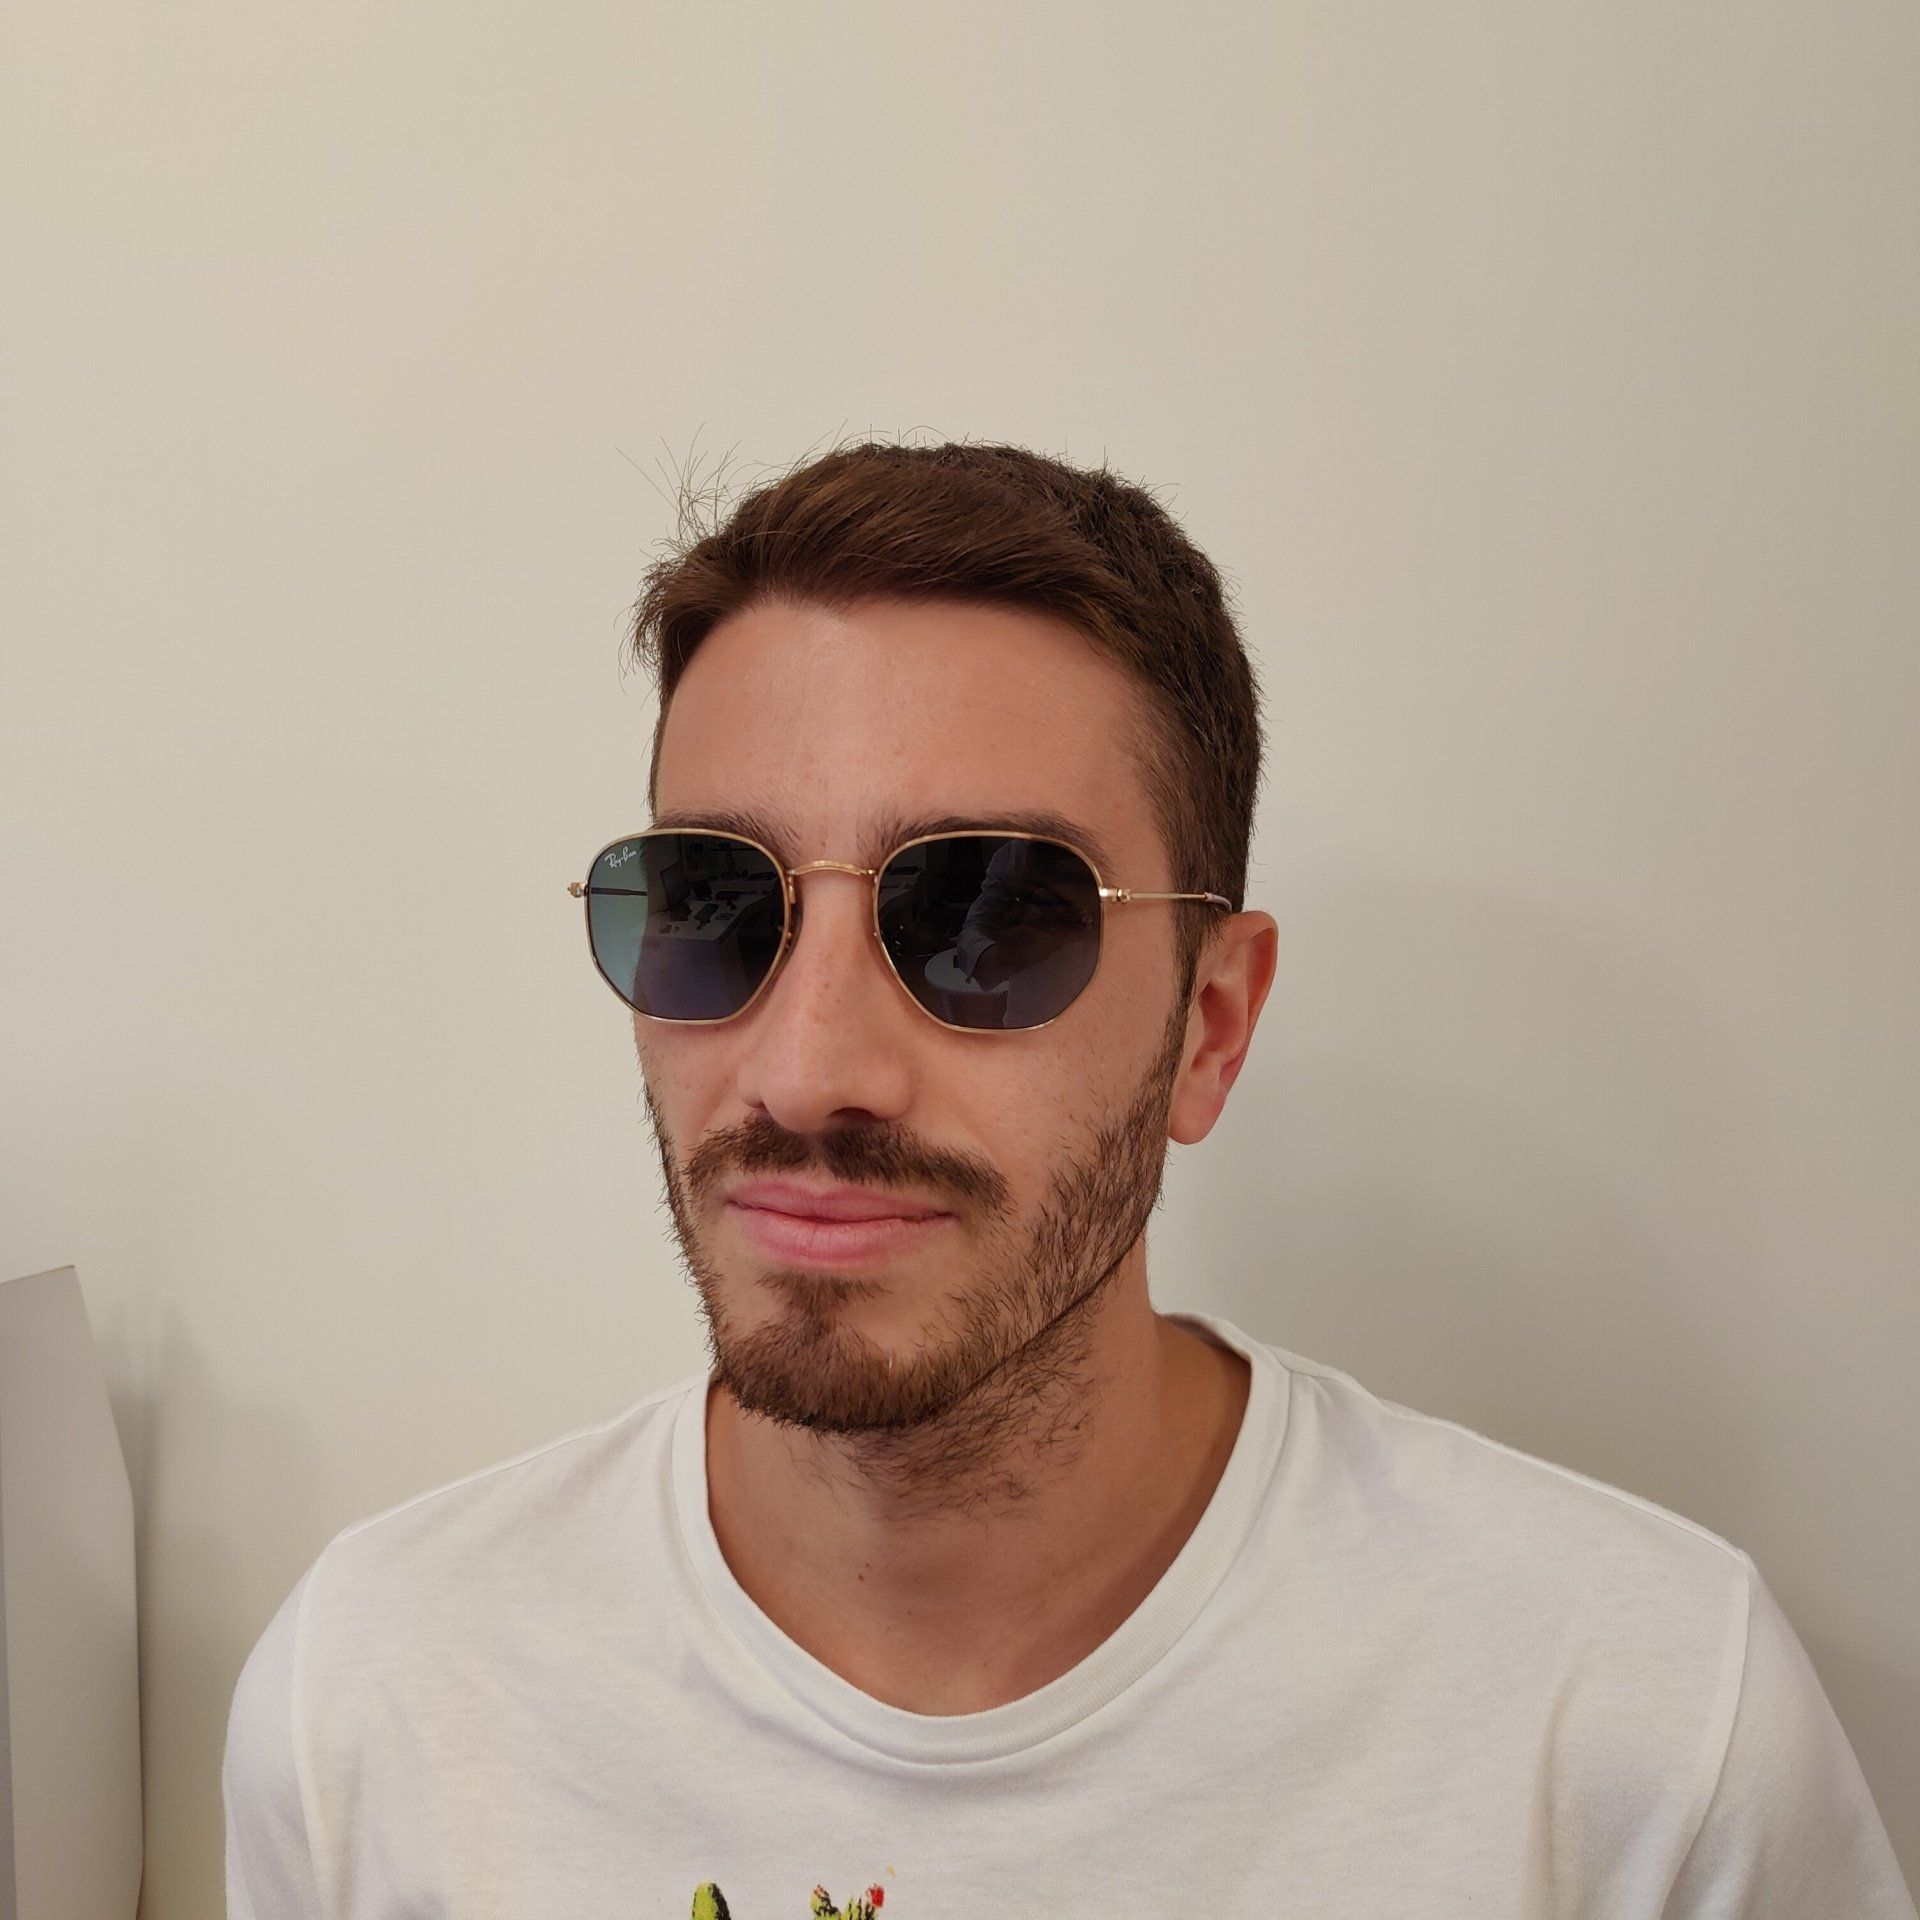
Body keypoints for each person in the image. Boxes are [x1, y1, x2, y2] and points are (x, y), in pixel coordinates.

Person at [223, 440, 1915, 1917]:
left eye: (990, 916)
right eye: (715, 905)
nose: (807, 1070)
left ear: (1210, 1027)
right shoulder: (381, 1701)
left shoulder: (1639, 1728)